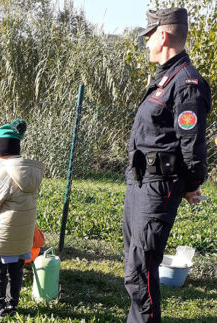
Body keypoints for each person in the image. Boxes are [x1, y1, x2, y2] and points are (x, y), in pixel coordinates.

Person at [123, 8, 211, 322]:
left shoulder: (186, 83)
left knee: (140, 273)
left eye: (149, 36)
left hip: (159, 186)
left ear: (163, 35)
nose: (145, 42)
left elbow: (192, 146)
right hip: (140, 183)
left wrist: (189, 184)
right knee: (133, 270)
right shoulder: (166, 78)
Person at [0, 119, 44, 318]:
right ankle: (12, 305)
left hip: (3, 232)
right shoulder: (32, 172)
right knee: (16, 269)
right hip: (23, 233)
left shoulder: (3, 173)